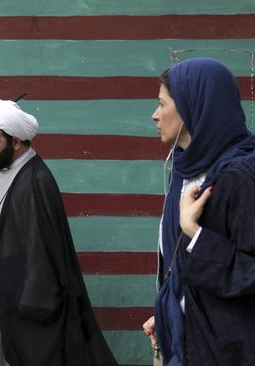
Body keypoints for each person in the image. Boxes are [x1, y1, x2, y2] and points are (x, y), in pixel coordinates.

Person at [0, 100, 117, 366]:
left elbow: (43, 262)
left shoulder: (35, 181)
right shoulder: (10, 174)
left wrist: (27, 316)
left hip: (27, 323)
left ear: (16, 142)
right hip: (4, 311)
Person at [142, 57, 255, 365]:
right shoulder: (184, 169)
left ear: (194, 107)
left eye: (162, 104)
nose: (154, 115)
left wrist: (195, 232)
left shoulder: (240, 176)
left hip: (228, 351)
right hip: (188, 339)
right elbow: (179, 263)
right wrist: (169, 308)